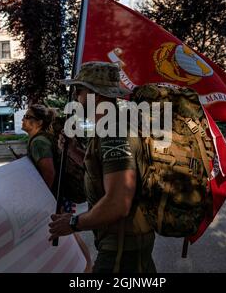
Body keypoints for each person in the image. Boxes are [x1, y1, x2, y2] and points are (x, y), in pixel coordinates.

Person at [48, 61, 156, 273]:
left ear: (95, 95)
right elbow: (105, 171)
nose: (76, 98)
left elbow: (118, 202)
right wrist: (73, 152)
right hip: (127, 245)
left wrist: (73, 222)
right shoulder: (111, 125)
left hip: (122, 251)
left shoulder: (113, 131)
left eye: (79, 91)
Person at [22, 104, 93, 272]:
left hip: (55, 196)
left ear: (38, 123)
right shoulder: (45, 137)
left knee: (68, 234)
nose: (23, 119)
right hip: (61, 192)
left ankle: (86, 267)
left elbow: (49, 172)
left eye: (28, 116)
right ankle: (87, 265)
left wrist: (43, 198)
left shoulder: (39, 141)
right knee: (69, 233)